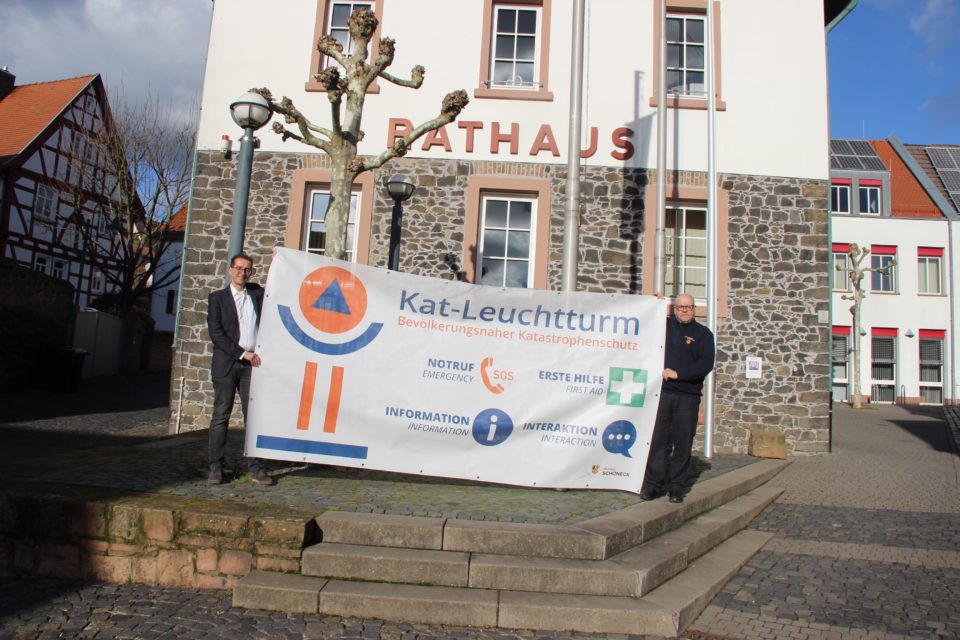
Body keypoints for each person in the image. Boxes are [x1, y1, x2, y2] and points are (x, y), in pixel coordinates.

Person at [641, 292, 715, 503]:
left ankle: (677, 487)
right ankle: (653, 485)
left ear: (694, 309)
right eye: (680, 307)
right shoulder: (664, 326)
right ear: (674, 309)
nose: (684, 310)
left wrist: (679, 374)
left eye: (688, 307)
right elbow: (645, 323)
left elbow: (705, 364)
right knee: (657, 440)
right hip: (662, 393)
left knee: (683, 443)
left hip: (688, 396)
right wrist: (652, 302)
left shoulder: (704, 334)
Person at [206, 253, 272, 485]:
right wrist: (242, 353)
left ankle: (256, 468)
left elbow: (278, 286)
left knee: (253, 417)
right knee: (220, 417)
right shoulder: (217, 298)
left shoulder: (257, 294)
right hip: (227, 364)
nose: (242, 273)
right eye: (238, 268)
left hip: (251, 367)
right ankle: (216, 468)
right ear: (230, 270)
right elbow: (216, 333)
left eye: (247, 269)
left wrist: (278, 260)